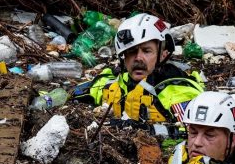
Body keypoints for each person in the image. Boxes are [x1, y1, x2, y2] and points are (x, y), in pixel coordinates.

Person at [72, 13, 204, 123]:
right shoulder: (115, 84)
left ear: (163, 55)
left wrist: (151, 130)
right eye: (132, 52)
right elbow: (79, 91)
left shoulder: (179, 93)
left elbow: (195, 136)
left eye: (146, 51)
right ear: (123, 56)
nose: (138, 58)